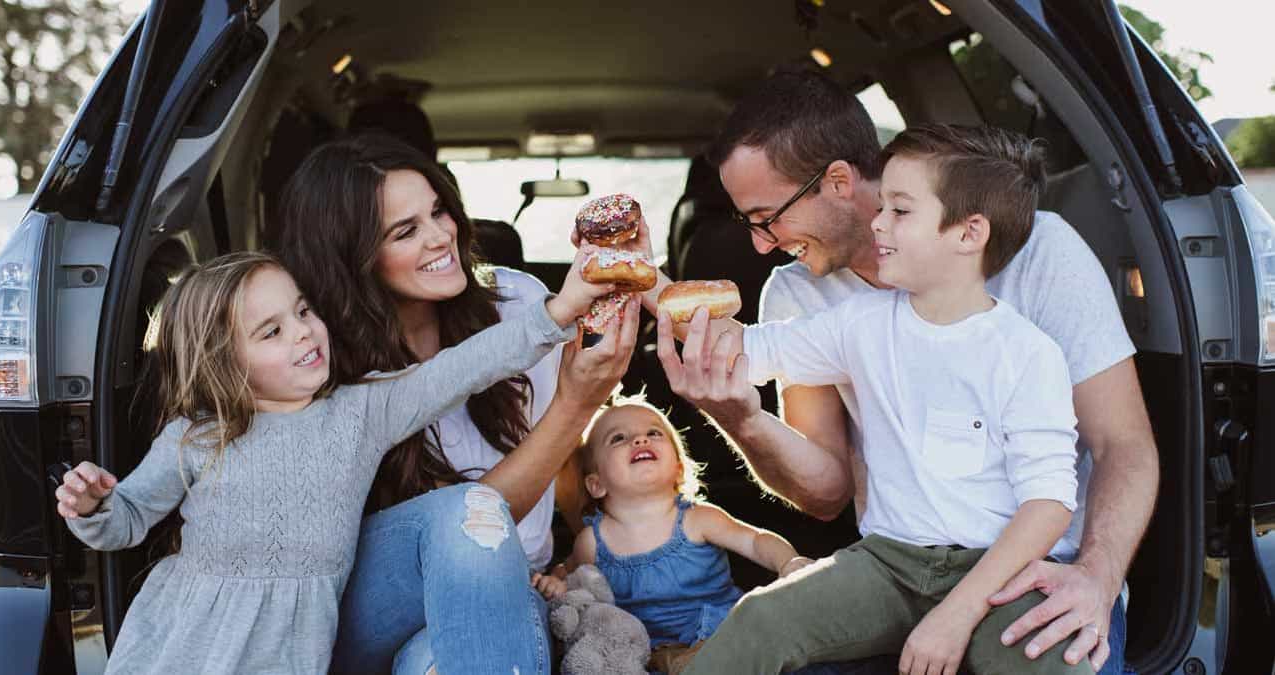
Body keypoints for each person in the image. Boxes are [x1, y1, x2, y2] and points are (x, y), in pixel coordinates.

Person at [652, 68, 1157, 674]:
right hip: (891, 562)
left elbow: (1118, 448)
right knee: (759, 621)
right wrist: (660, 303)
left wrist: (1096, 578)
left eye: (768, 217)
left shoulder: (1033, 312)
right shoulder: (848, 316)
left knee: (1040, 658)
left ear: (838, 181)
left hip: (1031, 565)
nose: (760, 246)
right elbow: (817, 475)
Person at [54, 250, 608, 674]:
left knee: (472, 508)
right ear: (224, 364)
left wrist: (558, 310)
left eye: (302, 310)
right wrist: (94, 503)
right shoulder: (196, 437)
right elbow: (125, 521)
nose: (303, 333)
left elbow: (462, 368)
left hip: (293, 645)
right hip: (188, 643)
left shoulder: (360, 411)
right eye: (272, 331)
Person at [273, 133, 639, 674]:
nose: (440, 237)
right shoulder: (318, 359)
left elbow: (560, 472)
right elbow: (468, 531)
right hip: (372, 601)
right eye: (404, 231)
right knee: (464, 518)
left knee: (434, 662)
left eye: (439, 211)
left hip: (505, 594)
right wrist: (574, 407)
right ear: (353, 259)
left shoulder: (519, 306)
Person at [561, 393, 812, 673]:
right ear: (596, 484)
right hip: (649, 656)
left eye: (653, 433)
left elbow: (755, 541)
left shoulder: (697, 519)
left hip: (721, 638)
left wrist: (787, 562)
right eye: (618, 438)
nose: (640, 439)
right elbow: (571, 575)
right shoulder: (592, 542)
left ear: (679, 469)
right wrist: (552, 582)